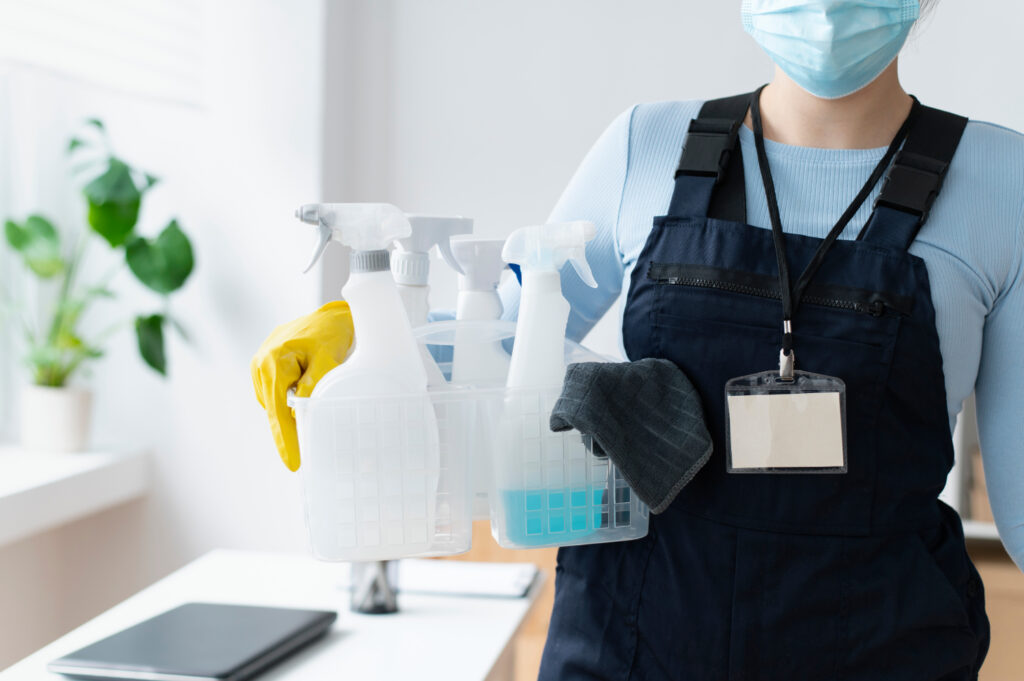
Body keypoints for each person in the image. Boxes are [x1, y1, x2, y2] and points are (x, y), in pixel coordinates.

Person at [253, 1, 1023, 678]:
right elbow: (503, 342)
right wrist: (368, 332)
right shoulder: (646, 147)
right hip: (630, 647)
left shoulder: (1003, 183)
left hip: (883, 652)